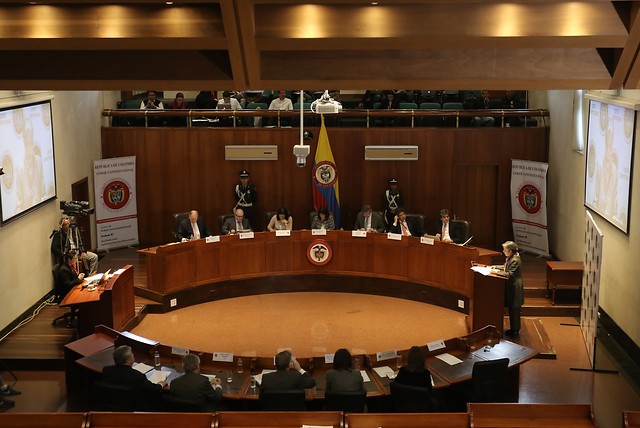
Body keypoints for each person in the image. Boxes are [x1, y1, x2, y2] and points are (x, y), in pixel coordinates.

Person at [101, 345, 165, 411]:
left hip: (111, 405)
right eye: (132, 354)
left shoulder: (106, 371)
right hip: (135, 409)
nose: (133, 355)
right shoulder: (137, 376)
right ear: (128, 360)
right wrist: (161, 384)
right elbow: (153, 389)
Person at [499, 241, 524, 337]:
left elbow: (510, 274)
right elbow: (506, 267)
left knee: (515, 309)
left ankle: (515, 330)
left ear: (510, 251)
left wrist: (496, 272)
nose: (503, 251)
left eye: (504, 250)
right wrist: (494, 267)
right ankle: (513, 328)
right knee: (512, 308)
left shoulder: (515, 260)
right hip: (511, 286)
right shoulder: (510, 257)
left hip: (515, 286)